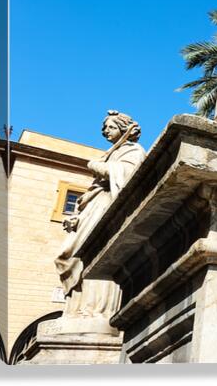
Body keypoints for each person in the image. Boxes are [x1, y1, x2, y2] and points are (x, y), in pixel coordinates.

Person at [55, 110, 146, 318]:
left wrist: (99, 167)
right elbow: (92, 191)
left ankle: (94, 309)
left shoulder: (133, 150)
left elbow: (130, 176)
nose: (106, 131)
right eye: (104, 128)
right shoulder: (112, 153)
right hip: (94, 206)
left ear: (124, 129)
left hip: (108, 205)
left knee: (90, 253)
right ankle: (74, 308)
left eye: (111, 127)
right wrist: (78, 215)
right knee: (67, 255)